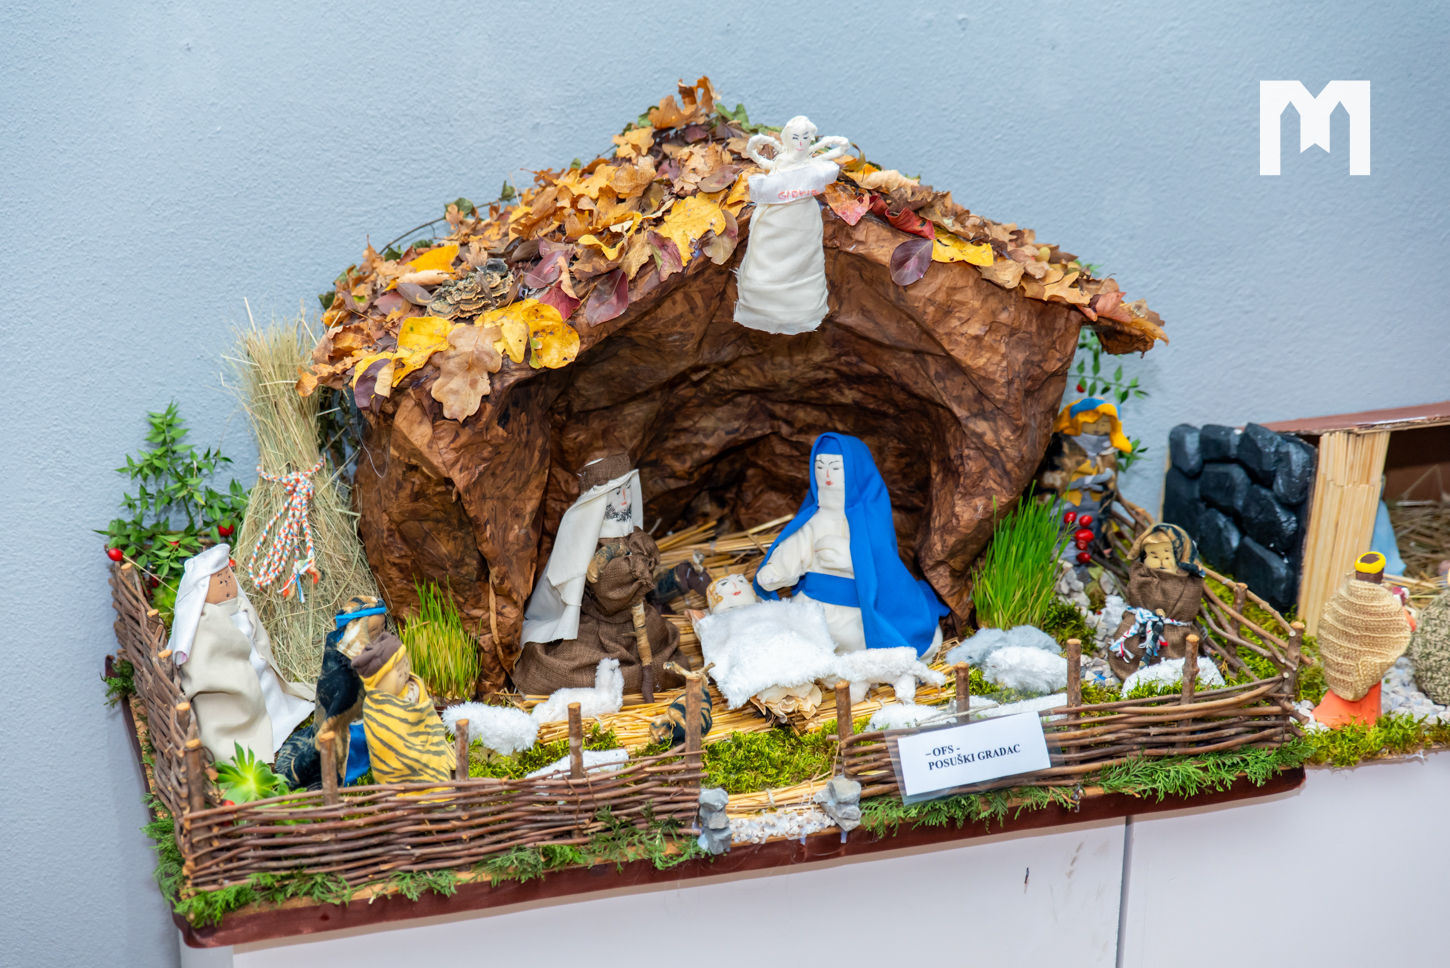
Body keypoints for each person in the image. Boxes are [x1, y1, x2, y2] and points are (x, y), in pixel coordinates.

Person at [754, 432, 947, 658]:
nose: (827, 474)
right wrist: (776, 570)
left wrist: (854, 559)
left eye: (836, 467)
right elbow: (794, 546)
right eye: (820, 466)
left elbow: (883, 560)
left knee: (855, 646)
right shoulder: (813, 520)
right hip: (812, 605)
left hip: (854, 609)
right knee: (799, 641)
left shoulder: (869, 519)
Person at [168, 544, 314, 763]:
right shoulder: (204, 622)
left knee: (269, 694)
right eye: (220, 581)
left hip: (257, 669)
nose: (227, 583)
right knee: (238, 707)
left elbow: (256, 636)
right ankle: (245, 737)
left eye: (228, 576)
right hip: (228, 684)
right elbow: (204, 661)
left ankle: (277, 721)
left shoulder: (241, 606)